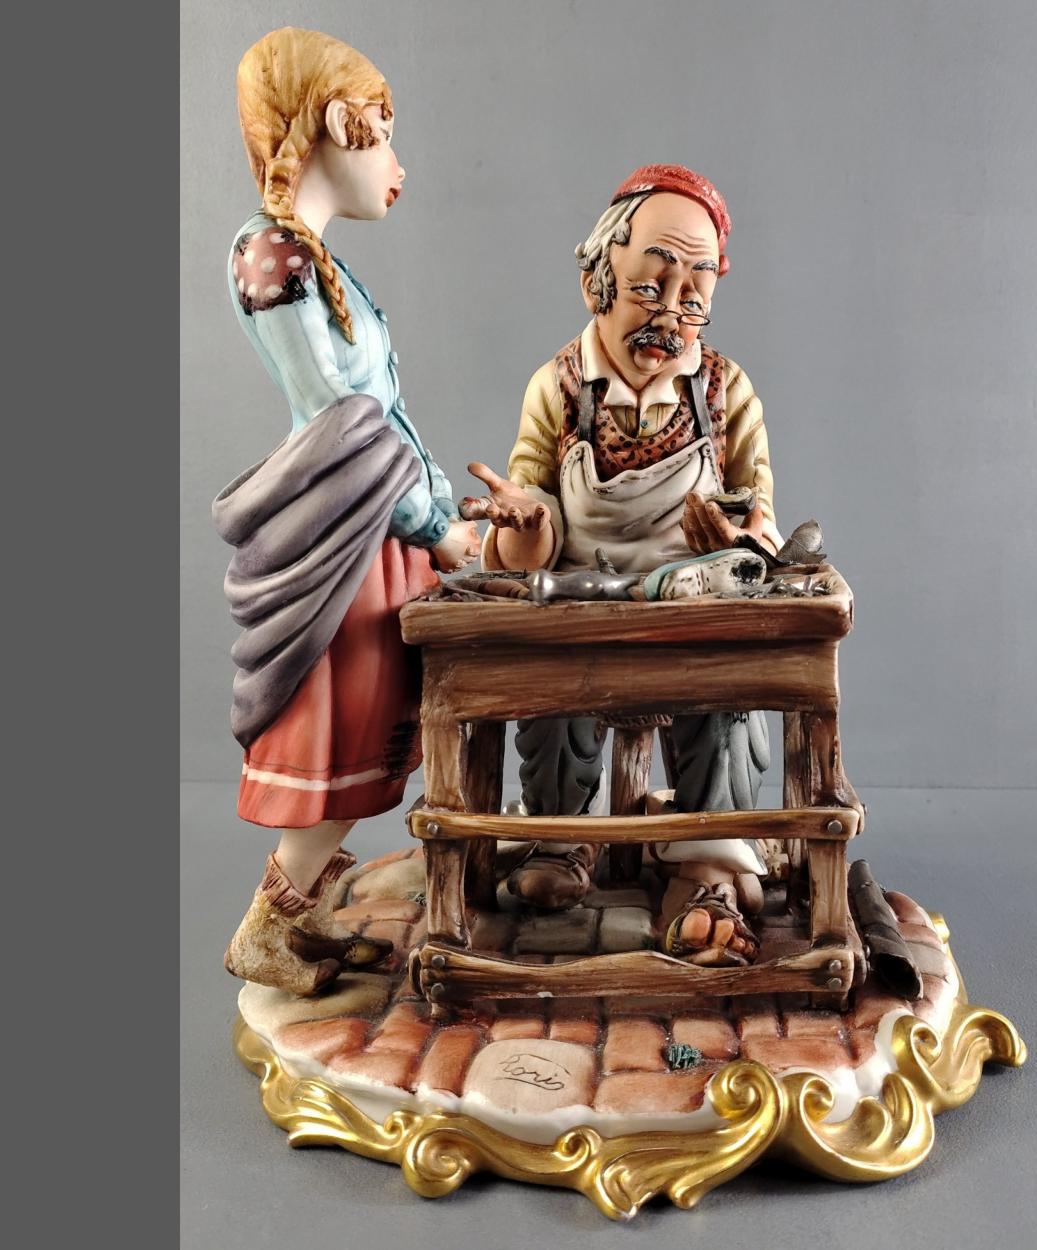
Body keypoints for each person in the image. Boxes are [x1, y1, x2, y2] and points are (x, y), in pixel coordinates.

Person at [217, 28, 481, 995]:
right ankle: (270, 926)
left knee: (377, 727)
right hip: (345, 535)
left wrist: (440, 509)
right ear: (338, 122)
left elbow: (383, 418)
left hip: (378, 523)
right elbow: (347, 423)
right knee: (346, 726)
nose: (397, 163)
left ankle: (302, 919)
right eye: (386, 132)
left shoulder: (312, 257)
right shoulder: (272, 255)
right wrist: (437, 527)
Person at [470, 165, 780, 967]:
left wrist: (736, 540)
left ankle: (706, 863)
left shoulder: (726, 392)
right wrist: (525, 524)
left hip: (689, 604)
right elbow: (526, 529)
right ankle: (561, 837)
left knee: (727, 689)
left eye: (694, 294)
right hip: (584, 601)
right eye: (650, 286)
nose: (672, 313)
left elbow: (762, 522)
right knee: (550, 689)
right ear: (597, 281)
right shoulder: (558, 388)